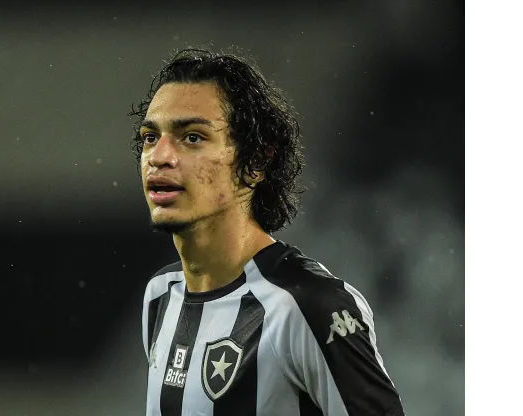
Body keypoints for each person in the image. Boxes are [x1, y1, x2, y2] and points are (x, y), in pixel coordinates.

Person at [131, 48, 405, 416]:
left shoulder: (306, 305)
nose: (159, 156)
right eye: (150, 137)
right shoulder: (160, 297)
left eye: (192, 137)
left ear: (257, 162)